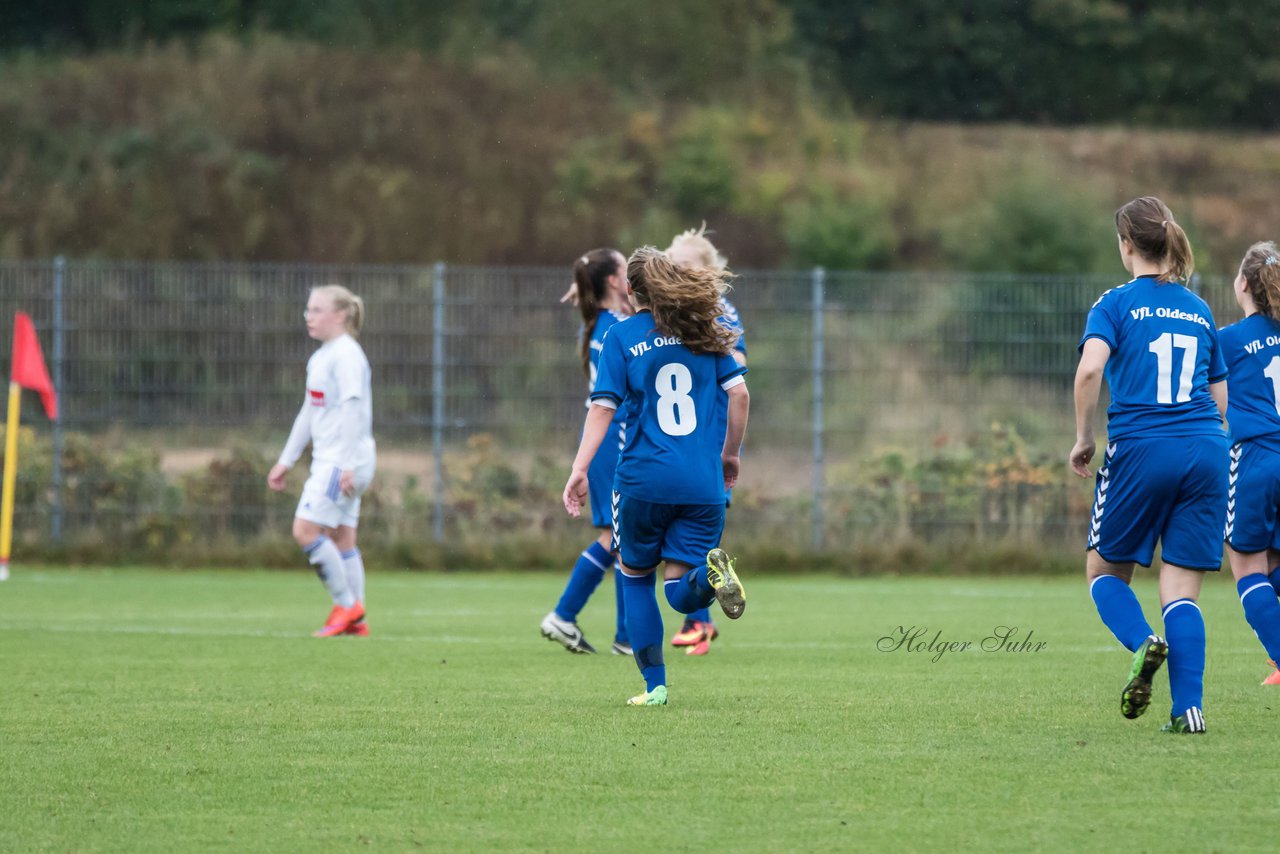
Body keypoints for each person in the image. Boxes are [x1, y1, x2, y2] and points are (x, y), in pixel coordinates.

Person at [562, 247, 750, 706]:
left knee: (635, 578)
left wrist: (580, 468)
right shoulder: (706, 332)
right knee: (681, 592)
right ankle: (710, 579)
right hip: (702, 484)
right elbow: (741, 393)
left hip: (642, 482)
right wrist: (729, 456)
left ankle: (656, 688)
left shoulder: (623, 337)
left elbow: (602, 406)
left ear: (630, 288)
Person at [1070, 196, 1228, 734]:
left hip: (1142, 449)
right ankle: (1189, 711)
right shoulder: (1199, 308)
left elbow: (1091, 371)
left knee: (1103, 572)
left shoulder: (1113, 304)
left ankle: (1143, 644)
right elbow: (1220, 391)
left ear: (1127, 244)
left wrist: (1082, 437)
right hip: (1207, 449)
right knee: (1180, 591)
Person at [268, 284, 376, 638]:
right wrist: (287, 459)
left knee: (305, 530)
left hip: (340, 461)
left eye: (316, 310)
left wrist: (345, 463)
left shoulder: (346, 355)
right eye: (307, 309)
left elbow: (352, 408)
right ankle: (356, 618)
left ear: (340, 315)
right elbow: (309, 412)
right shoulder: (322, 357)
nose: (308, 316)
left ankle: (346, 605)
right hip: (343, 460)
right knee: (343, 537)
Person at [540, 249, 633, 656]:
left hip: (609, 436)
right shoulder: (616, 328)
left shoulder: (602, 324)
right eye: (625, 265)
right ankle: (571, 618)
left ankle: (620, 635)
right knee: (621, 536)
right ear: (613, 280)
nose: (632, 270)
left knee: (621, 537)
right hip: (614, 436)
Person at [664, 224, 748, 656]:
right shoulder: (676, 311)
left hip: (708, 442)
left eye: (683, 265)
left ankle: (698, 620)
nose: (674, 270)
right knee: (693, 537)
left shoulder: (718, 313)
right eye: (670, 263)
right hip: (683, 442)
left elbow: (737, 375)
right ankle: (702, 620)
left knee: (697, 536)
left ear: (708, 272)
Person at [1217, 241, 1280, 685]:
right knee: (1273, 561)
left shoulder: (1228, 341)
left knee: (1246, 567)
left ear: (1242, 284)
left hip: (1257, 458)